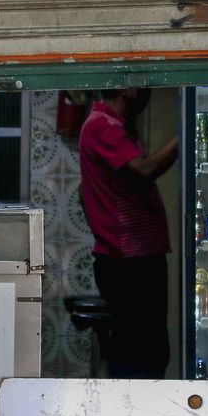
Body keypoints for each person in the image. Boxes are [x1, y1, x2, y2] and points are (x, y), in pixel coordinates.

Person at [79, 88, 179, 378]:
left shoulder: (115, 125)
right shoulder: (103, 125)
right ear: (127, 88)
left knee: (149, 353)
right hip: (128, 262)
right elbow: (142, 170)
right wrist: (184, 136)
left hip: (135, 258)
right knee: (140, 358)